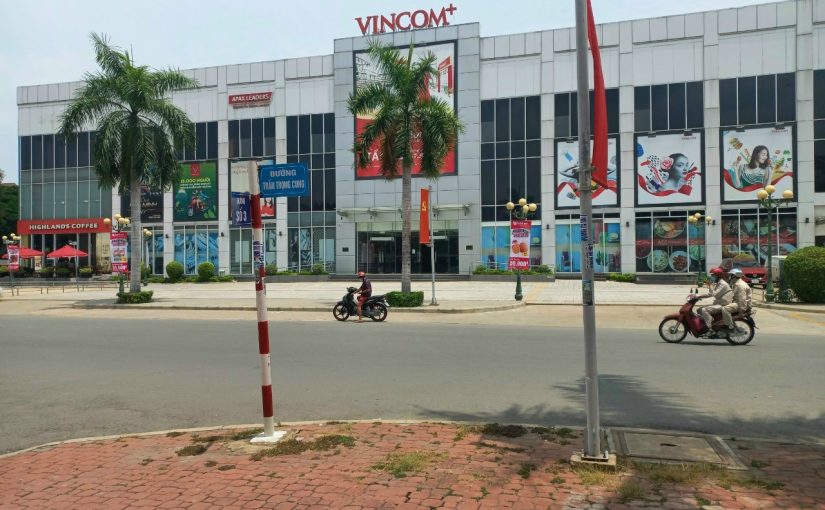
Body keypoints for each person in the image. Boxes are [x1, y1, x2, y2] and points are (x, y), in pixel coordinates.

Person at [697, 267, 733, 336]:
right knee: (699, 309)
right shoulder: (719, 283)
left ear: (718, 276)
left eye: (713, 275)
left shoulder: (723, 284)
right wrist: (697, 296)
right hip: (720, 303)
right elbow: (710, 294)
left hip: (723, 304)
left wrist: (710, 285)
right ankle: (712, 324)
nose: (711, 277)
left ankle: (710, 329)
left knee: (704, 310)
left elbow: (714, 294)